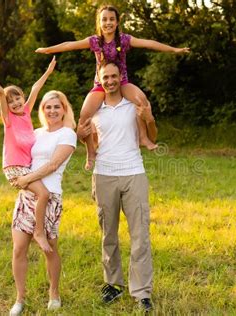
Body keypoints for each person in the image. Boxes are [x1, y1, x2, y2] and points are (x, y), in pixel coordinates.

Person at [36, 4, 188, 170]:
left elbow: (148, 43)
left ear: (117, 22)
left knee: (141, 99)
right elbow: (69, 44)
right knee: (85, 115)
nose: (108, 22)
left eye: (111, 19)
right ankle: (91, 152)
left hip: (121, 82)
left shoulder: (124, 40)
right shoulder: (94, 41)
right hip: (100, 84)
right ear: (99, 22)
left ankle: (144, 138)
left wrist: (174, 50)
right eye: (104, 19)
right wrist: (48, 50)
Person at [77, 61, 157, 312]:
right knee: (108, 234)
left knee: (140, 235)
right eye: (105, 78)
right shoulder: (95, 110)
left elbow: (151, 138)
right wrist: (82, 138)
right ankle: (112, 284)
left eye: (114, 76)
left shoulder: (133, 105)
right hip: (104, 176)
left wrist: (149, 118)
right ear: (100, 81)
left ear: (120, 76)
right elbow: (90, 143)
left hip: (134, 174)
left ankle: (142, 292)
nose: (110, 81)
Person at [0, 57, 57, 253]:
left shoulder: (27, 112)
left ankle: (29, 227)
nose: (15, 102)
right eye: (11, 101)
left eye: (18, 97)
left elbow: (36, 87)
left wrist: (48, 72)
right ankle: (38, 232)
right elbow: (1, 94)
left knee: (41, 196)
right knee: (43, 193)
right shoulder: (8, 119)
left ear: (23, 97)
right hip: (14, 167)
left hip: (27, 167)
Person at [8, 90, 77, 315]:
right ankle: (19, 299)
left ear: (64, 109)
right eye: (48, 107)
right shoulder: (35, 133)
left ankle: (54, 293)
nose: (52, 111)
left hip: (50, 196)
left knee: (50, 250)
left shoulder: (67, 134)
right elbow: (18, 153)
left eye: (57, 107)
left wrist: (26, 178)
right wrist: (15, 176)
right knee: (19, 249)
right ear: (42, 110)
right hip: (27, 196)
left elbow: (53, 165)